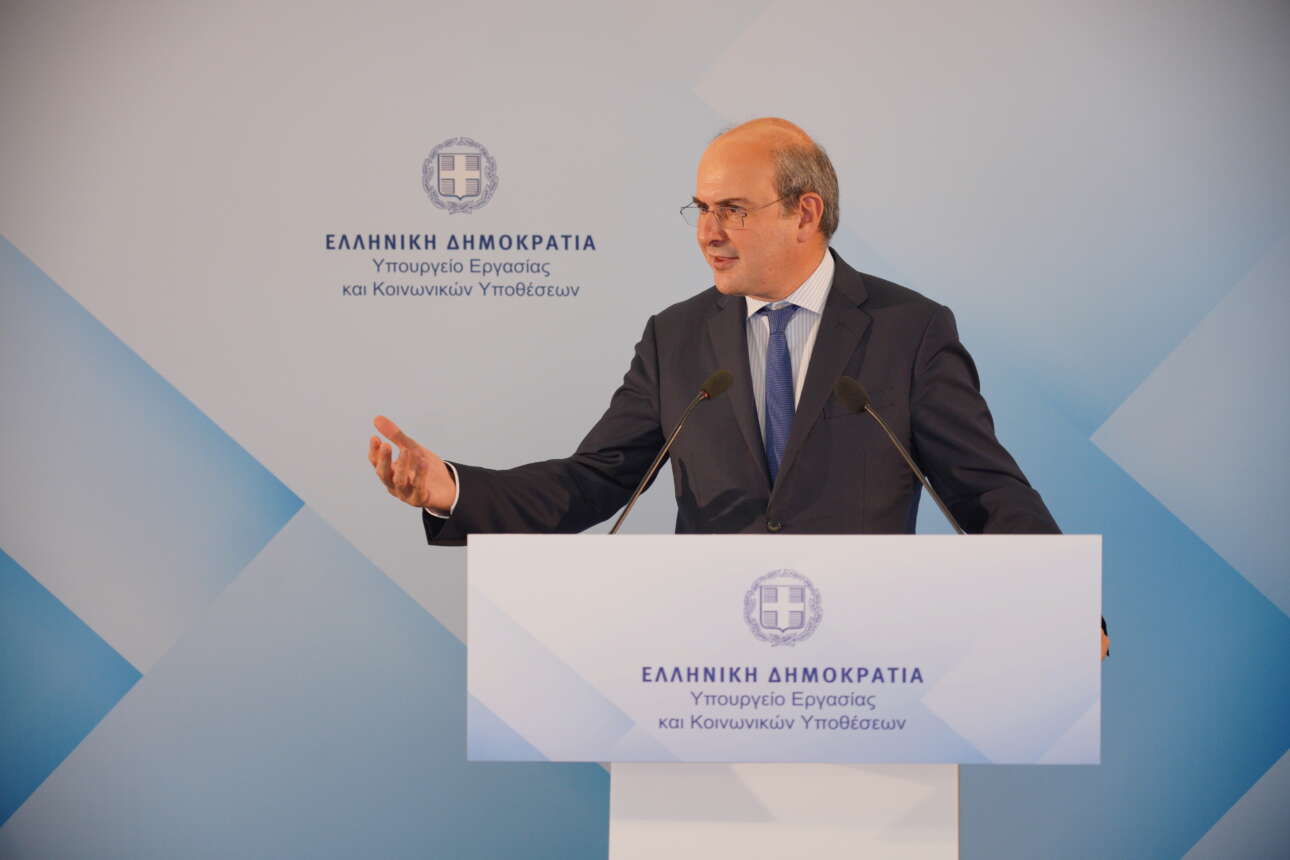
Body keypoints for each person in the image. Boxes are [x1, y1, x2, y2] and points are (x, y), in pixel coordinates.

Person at [368, 118, 1109, 659]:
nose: (707, 232)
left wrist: (1060, 606)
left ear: (804, 213)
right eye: (701, 208)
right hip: (707, 668)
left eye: (732, 210)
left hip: (868, 666)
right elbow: (594, 481)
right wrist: (452, 489)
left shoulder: (907, 329)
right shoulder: (676, 336)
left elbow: (983, 488)